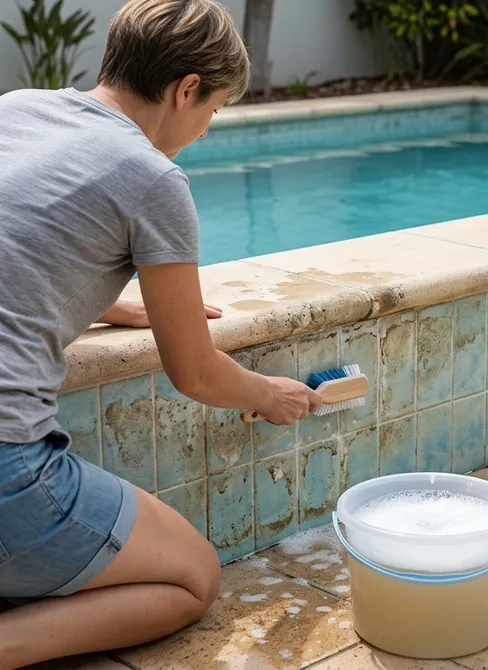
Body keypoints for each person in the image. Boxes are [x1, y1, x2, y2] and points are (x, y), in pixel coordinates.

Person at [0, 0, 324, 665]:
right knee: (192, 577)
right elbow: (195, 372)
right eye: (214, 108)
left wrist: (97, 300)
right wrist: (265, 393)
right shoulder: (152, 178)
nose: (206, 128)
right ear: (184, 90)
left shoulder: (16, 109)